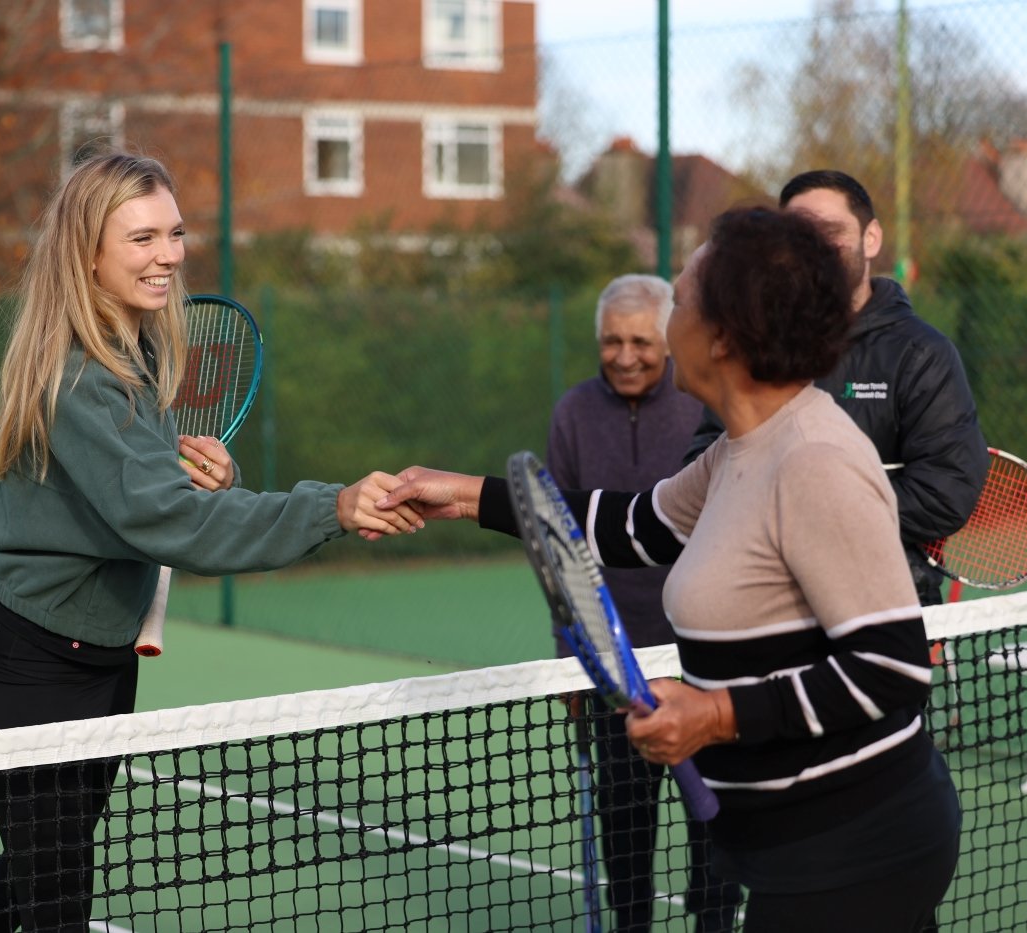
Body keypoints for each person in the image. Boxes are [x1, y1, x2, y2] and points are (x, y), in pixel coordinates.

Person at [380, 206, 962, 933]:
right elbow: (634, 526)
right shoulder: (740, 448)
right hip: (799, 851)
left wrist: (713, 713)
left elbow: (892, 668)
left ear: (721, 336)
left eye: (680, 302)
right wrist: (467, 495)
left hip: (854, 853)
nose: (663, 324)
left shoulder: (812, 459)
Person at [0, 151, 421, 932]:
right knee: (57, 896)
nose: (168, 254)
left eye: (175, 232)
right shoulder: (81, 378)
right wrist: (330, 505)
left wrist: (182, 463)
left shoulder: (142, 352)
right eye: (141, 238)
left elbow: (136, 488)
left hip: (102, 664)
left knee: (30, 878)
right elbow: (172, 524)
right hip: (30, 672)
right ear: (86, 254)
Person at [684, 170, 989, 610]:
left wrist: (814, 517)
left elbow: (946, 493)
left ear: (872, 239)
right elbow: (702, 465)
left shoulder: (922, 354)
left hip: (886, 604)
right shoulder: (750, 349)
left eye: (831, 231)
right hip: (764, 609)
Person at [549, 274, 738, 932]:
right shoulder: (572, 412)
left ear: (667, 341)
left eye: (640, 341)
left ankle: (715, 922)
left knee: (715, 820)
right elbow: (556, 540)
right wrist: (567, 655)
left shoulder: (703, 407)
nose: (624, 355)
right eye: (611, 340)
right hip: (614, 659)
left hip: (702, 655)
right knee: (625, 817)